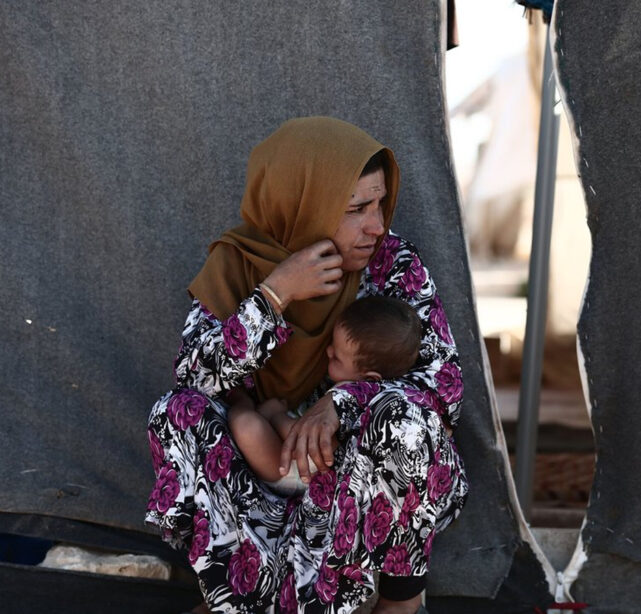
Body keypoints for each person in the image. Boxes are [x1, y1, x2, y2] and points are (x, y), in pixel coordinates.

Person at [145, 117, 467, 614]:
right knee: (177, 413)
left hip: (347, 476)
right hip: (262, 475)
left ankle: (398, 604)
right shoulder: (240, 266)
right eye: (357, 208)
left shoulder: (392, 263)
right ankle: (244, 597)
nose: (377, 225)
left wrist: (342, 402)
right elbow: (194, 378)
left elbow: (442, 388)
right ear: (301, 207)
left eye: (379, 203)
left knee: (405, 423)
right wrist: (275, 296)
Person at [227, 295, 423, 498]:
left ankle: (242, 402)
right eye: (331, 344)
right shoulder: (350, 383)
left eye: (336, 357)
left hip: (295, 473)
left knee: (245, 424)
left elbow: (305, 442)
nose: (328, 351)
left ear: (369, 378)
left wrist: (275, 415)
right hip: (288, 453)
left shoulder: (354, 409)